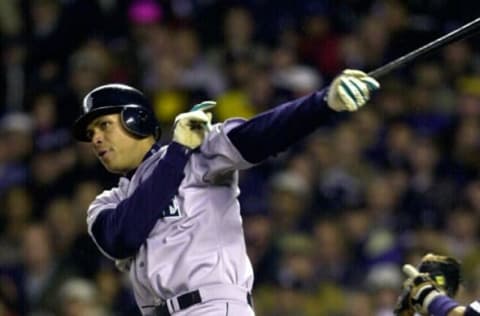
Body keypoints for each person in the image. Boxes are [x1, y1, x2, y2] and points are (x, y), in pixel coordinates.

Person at [72, 69, 380, 316]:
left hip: (213, 307)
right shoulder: (108, 203)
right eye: (90, 134)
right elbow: (124, 236)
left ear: (135, 120)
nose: (96, 139)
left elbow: (260, 136)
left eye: (103, 125)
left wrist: (322, 102)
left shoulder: (199, 153)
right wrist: (178, 150)